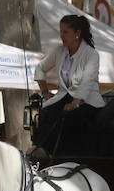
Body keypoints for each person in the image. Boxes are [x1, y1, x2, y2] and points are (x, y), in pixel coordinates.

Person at [32, 13, 103, 158]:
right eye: (61, 32)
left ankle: (66, 155)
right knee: (46, 112)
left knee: (72, 116)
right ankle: (40, 149)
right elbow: (40, 68)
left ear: (77, 33)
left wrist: (76, 103)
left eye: (65, 32)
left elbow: (87, 81)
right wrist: (45, 92)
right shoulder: (59, 51)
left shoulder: (91, 54)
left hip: (88, 100)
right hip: (65, 97)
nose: (61, 36)